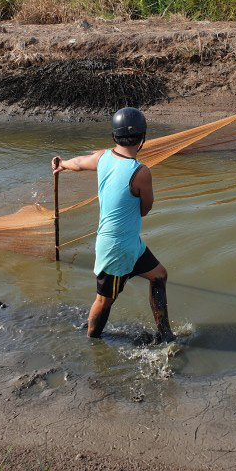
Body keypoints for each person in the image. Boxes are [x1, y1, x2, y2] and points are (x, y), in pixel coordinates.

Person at [52, 107, 175, 343]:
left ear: (114, 137)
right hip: (118, 248)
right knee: (104, 300)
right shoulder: (140, 172)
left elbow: (78, 162)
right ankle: (93, 340)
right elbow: (146, 208)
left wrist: (62, 163)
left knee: (159, 275)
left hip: (129, 244)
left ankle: (165, 334)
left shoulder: (103, 157)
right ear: (143, 139)